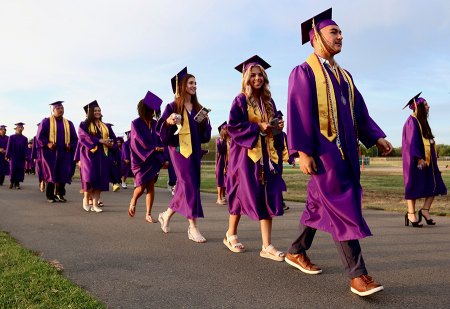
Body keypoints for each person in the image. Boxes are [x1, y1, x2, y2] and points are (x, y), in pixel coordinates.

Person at [285, 8, 393, 297]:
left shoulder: (344, 75)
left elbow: (359, 111)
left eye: (341, 32)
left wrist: (377, 136)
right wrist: (302, 151)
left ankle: (296, 251)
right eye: (334, 32)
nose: (340, 36)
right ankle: (357, 274)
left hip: (346, 152)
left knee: (319, 204)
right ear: (315, 37)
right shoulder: (304, 72)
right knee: (342, 206)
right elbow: (297, 113)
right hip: (323, 153)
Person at [224, 55, 286, 261]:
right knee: (241, 192)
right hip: (245, 156)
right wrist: (257, 127)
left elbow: (274, 125)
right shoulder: (240, 100)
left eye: (260, 75)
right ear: (246, 78)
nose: (257, 78)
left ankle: (266, 246)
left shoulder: (268, 101)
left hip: (267, 156)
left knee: (267, 194)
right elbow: (232, 127)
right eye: (253, 75)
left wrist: (277, 126)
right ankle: (230, 234)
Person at [156, 67, 212, 243]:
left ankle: (166, 215)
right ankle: (193, 227)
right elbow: (162, 133)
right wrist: (168, 121)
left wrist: (205, 122)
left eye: (195, 83)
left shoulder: (197, 108)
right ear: (182, 85)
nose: (194, 86)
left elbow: (204, 136)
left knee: (187, 185)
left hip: (194, 150)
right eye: (191, 83)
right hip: (179, 151)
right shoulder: (172, 107)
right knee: (188, 183)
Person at [402, 93, 447, 227]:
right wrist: (419, 158)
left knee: (435, 184)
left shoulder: (422, 122)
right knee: (413, 186)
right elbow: (412, 142)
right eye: (426, 105)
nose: (429, 107)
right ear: (419, 107)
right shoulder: (412, 121)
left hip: (428, 161)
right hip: (416, 161)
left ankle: (425, 210)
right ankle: (411, 214)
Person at [127, 90, 166, 223]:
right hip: (140, 160)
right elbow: (138, 141)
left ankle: (148, 214)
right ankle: (133, 200)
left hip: (153, 159)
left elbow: (161, 139)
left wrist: (162, 151)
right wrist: (154, 149)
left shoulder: (155, 124)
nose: (154, 112)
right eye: (152, 109)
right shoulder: (136, 123)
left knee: (151, 186)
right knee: (141, 186)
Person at [78, 100, 116, 212]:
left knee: (100, 179)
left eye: (99, 110)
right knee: (90, 178)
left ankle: (95, 205)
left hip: (103, 156)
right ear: (90, 112)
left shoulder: (106, 126)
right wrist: (100, 140)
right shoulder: (84, 124)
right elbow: (83, 137)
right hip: (89, 156)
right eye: (95, 110)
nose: (98, 112)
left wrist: (110, 143)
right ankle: (86, 199)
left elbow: (113, 139)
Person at [36, 101, 78, 203]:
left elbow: (75, 139)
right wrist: (47, 144)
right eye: (58, 108)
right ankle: (50, 195)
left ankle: (60, 194)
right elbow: (39, 137)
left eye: (62, 108)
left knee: (63, 173)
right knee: (51, 173)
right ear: (53, 110)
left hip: (65, 153)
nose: (61, 110)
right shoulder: (46, 122)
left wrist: (71, 145)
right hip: (50, 153)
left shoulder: (69, 123)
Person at [6, 123, 28, 189]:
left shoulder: (25, 138)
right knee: (13, 169)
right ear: (16, 128)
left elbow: (26, 148)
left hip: (21, 157)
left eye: (21, 127)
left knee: (20, 169)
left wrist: (26, 155)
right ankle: (12, 182)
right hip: (13, 156)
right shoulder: (11, 137)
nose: (20, 128)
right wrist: (7, 155)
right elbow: (8, 146)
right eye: (19, 127)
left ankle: (17, 184)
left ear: (23, 129)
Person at [215, 121, 229, 205]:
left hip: (228, 162)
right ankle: (219, 198)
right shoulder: (220, 141)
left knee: (226, 180)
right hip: (221, 162)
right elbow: (220, 151)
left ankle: (224, 197)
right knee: (220, 180)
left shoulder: (229, 140)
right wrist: (221, 140)